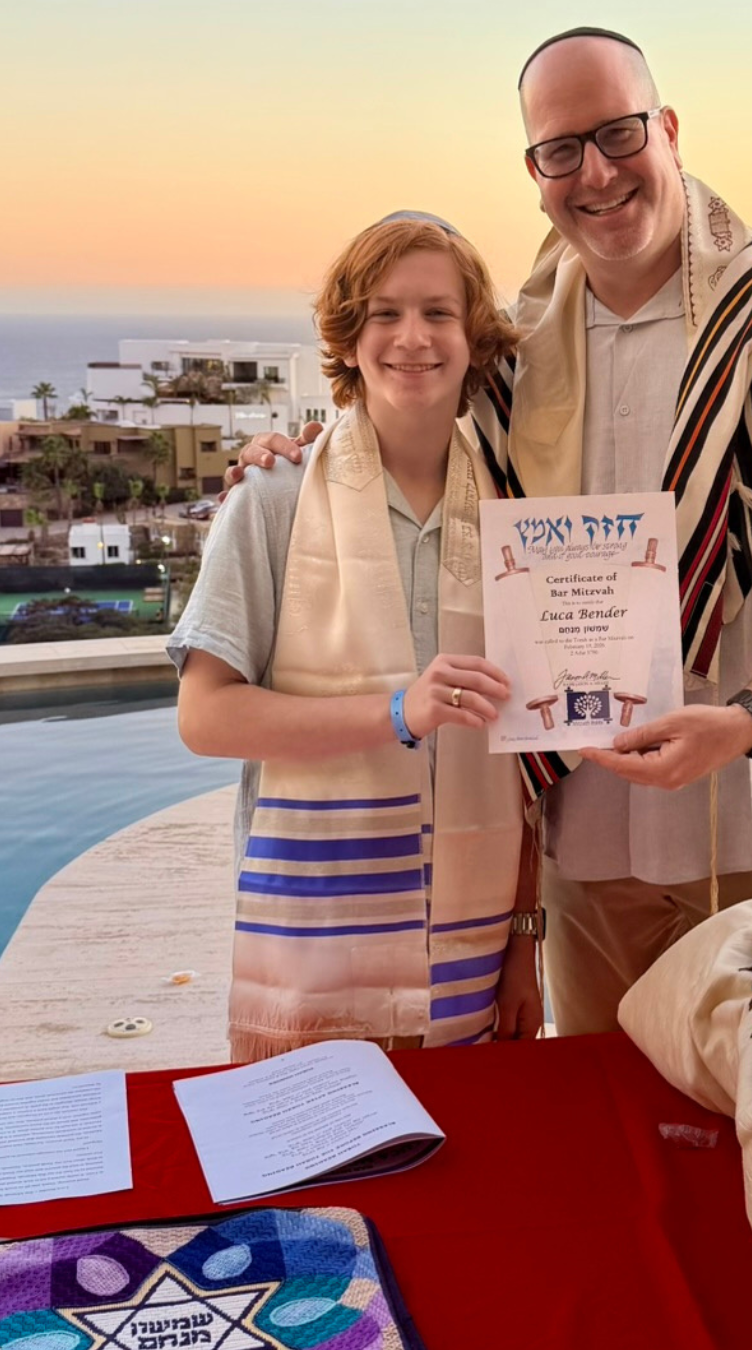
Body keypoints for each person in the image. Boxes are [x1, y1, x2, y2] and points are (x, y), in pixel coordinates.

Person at [226, 30, 752, 1037]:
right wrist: (297, 453)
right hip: (587, 838)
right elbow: (399, 417)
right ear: (533, 173)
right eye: (561, 149)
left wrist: (748, 715)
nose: (597, 173)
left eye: (619, 133)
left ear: (669, 128)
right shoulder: (511, 351)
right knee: (609, 1133)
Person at [169, 214, 542, 1061]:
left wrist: (525, 936)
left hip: (471, 952)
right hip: (315, 935)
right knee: (316, 1183)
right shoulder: (272, 500)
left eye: (439, 313)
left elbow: (529, 759)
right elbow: (205, 717)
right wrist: (397, 710)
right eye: (385, 313)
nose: (413, 338)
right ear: (349, 336)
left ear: (475, 337)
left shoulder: (522, 521)